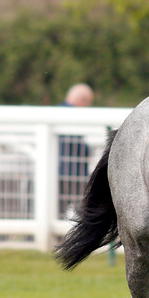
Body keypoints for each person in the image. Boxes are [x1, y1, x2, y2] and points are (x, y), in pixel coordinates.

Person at [58, 83, 94, 217]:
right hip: (72, 174)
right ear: (82, 100)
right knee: (88, 209)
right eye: (89, 103)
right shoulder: (71, 114)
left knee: (56, 210)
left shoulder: (58, 111)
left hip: (58, 173)